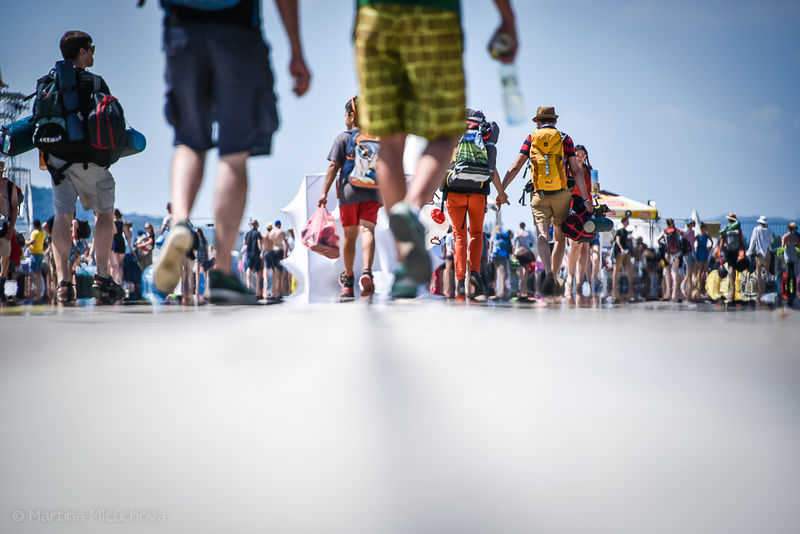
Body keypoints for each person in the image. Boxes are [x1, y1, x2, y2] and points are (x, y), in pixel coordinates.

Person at [353, 0, 518, 298]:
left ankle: (405, 261)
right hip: (436, 16)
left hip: (375, 18)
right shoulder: (480, 132)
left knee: (389, 141)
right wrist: (507, 18)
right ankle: (411, 207)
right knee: (444, 134)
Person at [153, 0, 310, 304]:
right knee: (233, 154)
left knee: (188, 141)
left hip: (181, 28)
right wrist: (296, 50)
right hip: (237, 30)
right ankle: (223, 269)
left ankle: (181, 221)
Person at [41, 31, 123, 305]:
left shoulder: (48, 84)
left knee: (62, 216)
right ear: (83, 52)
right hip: (89, 161)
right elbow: (109, 121)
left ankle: (65, 282)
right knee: (105, 214)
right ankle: (102, 277)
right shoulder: (95, 82)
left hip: (57, 164)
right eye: (92, 49)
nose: (93, 54)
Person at [501, 106, 593, 297]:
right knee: (559, 237)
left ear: (539, 122)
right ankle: (556, 273)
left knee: (542, 234)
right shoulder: (565, 139)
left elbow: (516, 165)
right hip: (562, 194)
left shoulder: (531, 138)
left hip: (539, 194)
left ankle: (549, 272)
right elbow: (575, 171)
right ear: (555, 121)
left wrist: (501, 191)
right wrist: (585, 199)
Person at [318, 96, 382, 301]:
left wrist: (323, 193)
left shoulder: (343, 138)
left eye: (346, 115)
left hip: (349, 192)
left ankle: (347, 281)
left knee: (350, 235)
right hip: (373, 191)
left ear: (352, 116)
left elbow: (333, 166)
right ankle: (366, 271)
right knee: (367, 230)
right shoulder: (376, 139)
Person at [442, 109, 508, 299]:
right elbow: (491, 167)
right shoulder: (483, 136)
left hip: (454, 194)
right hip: (478, 194)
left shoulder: (455, 136)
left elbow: (442, 165)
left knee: (459, 236)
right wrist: (501, 193)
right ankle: (475, 273)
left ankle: (461, 282)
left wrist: (430, 193)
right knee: (477, 234)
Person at [564, 144, 593, 298]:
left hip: (586, 210)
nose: (580, 157)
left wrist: (596, 190)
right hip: (572, 208)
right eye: (578, 154)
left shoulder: (589, 172)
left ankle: (580, 282)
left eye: (583, 154)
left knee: (585, 246)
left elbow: (593, 192)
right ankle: (570, 278)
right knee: (575, 244)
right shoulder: (569, 170)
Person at [0, 161, 21, 304]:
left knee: (5, 260)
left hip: (4, 227)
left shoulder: (8, 186)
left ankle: (2, 291)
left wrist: (12, 228)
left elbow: (14, 208)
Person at [746, 215, 773, 302]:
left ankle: (760, 293)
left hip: (759, 253)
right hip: (767, 252)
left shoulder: (756, 230)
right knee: (767, 271)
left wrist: (749, 252)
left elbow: (753, 241)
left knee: (758, 273)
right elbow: (772, 240)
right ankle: (767, 289)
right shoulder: (768, 230)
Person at [719, 212, 745, 302]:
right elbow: (741, 241)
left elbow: (722, 241)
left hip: (728, 251)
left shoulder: (726, 228)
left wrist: (720, 252)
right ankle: (733, 294)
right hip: (736, 251)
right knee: (734, 272)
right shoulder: (738, 229)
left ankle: (731, 295)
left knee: (731, 271)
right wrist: (743, 251)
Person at [658, 218, 684, 302]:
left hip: (667, 254)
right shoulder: (676, 231)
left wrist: (664, 245)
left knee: (667, 273)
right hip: (676, 254)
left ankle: (668, 293)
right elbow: (682, 237)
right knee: (675, 272)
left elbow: (657, 240)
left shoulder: (664, 231)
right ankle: (674, 294)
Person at [266, 220, 290, 302]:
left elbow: (268, 243)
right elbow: (286, 243)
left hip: (272, 251)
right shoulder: (281, 232)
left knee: (273, 272)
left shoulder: (271, 233)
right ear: (279, 225)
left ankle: (274, 292)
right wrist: (288, 248)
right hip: (279, 251)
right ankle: (278, 293)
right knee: (279, 273)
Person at [24, 219, 46, 302]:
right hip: (41, 254)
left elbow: (32, 242)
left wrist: (26, 242)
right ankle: (39, 293)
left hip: (34, 254)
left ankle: (32, 292)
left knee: (32, 274)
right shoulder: (43, 233)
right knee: (38, 273)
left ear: (34, 226)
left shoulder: (34, 233)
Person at [513, 222, 535, 302]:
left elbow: (514, 242)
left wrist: (514, 252)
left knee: (521, 274)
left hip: (519, 252)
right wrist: (530, 247)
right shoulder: (527, 233)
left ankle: (521, 293)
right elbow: (533, 241)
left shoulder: (517, 233)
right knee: (526, 273)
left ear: (519, 226)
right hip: (526, 252)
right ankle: (525, 293)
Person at [244, 220, 263, 294]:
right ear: (257, 225)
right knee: (258, 272)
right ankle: (257, 291)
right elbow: (259, 243)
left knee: (249, 269)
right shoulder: (257, 233)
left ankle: (249, 287)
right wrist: (261, 251)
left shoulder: (248, 233)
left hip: (249, 254)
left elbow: (244, 243)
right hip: (256, 254)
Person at [781, 222, 798, 307]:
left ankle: (788, 292)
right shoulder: (795, 237)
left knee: (788, 275)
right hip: (794, 257)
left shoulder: (785, 236)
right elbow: (798, 246)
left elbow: (782, 247)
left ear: (788, 228)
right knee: (793, 275)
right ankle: (793, 292)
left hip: (787, 258)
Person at [694, 222, 712, 300]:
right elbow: (692, 242)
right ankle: (698, 287)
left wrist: (709, 249)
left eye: (705, 228)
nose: (704, 229)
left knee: (705, 271)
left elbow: (712, 242)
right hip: (699, 252)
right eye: (703, 228)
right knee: (700, 271)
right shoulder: (698, 236)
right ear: (701, 228)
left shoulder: (707, 235)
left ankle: (702, 287)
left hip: (704, 252)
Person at [680, 219, 696, 300]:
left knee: (690, 272)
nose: (693, 224)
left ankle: (684, 287)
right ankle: (688, 289)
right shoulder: (686, 232)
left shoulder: (692, 232)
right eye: (692, 223)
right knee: (689, 272)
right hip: (688, 253)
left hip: (692, 252)